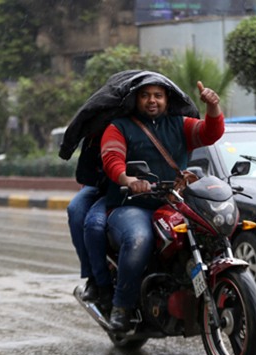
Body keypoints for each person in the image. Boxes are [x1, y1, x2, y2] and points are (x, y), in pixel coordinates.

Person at [100, 78, 225, 332]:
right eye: (145, 95)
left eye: (157, 95)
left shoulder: (180, 124)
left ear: (167, 100)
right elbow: (112, 158)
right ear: (136, 100)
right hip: (131, 205)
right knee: (139, 239)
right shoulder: (119, 126)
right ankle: (122, 306)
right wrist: (128, 179)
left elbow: (210, 133)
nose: (152, 100)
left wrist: (213, 107)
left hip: (172, 203)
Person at [66, 134, 112, 310]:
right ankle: (93, 277)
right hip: (99, 187)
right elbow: (84, 173)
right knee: (76, 211)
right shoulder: (95, 127)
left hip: (122, 186)